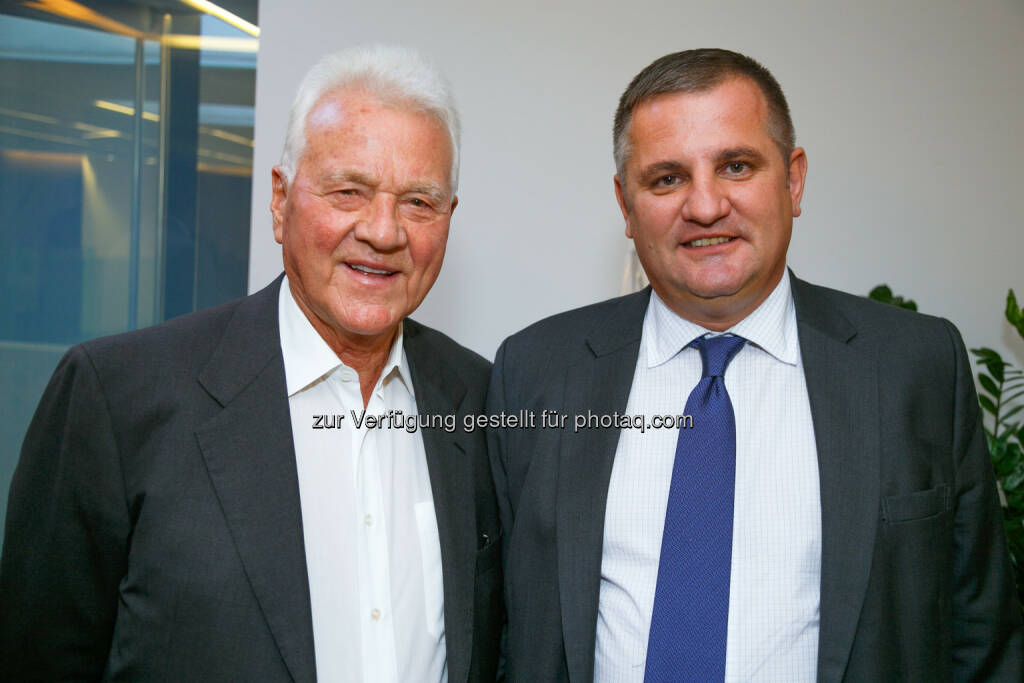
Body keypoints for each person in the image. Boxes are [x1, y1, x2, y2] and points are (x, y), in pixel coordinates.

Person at [488, 48, 1022, 681]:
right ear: (626, 206)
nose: (705, 206)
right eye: (666, 178)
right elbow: (499, 631)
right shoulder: (536, 372)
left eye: (736, 166)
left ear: (793, 181)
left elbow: (980, 636)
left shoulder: (916, 366)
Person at [0, 45, 502, 682]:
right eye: (349, 191)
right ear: (280, 200)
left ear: (448, 221)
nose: (384, 231)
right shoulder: (117, 398)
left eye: (418, 203)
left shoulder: (485, 401)